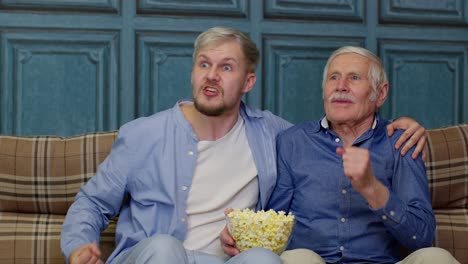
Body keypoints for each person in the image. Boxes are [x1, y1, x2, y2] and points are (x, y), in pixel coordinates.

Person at [61, 28, 426, 264]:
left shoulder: (273, 134)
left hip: (227, 260)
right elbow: (92, 202)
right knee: (165, 247)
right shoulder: (144, 134)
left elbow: (332, 130)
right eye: (204, 64)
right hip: (156, 255)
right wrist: (78, 247)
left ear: (248, 81)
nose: (211, 76)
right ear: (192, 72)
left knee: (265, 261)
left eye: (225, 67)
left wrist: (406, 125)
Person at [224, 46, 459, 264]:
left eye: (354, 78)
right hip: (312, 262)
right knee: (299, 259)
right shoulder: (292, 141)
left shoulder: (402, 141)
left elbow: (422, 237)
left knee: (436, 257)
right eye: (333, 77)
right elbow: (274, 222)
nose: (341, 86)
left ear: (380, 93)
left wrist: (372, 189)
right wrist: (243, 232)